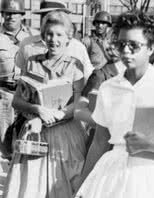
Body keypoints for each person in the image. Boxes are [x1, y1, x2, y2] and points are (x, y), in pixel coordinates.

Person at [74, 11, 154, 198]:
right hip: (111, 175)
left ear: (151, 47)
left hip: (151, 176)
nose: (126, 51)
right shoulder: (108, 87)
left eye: (134, 45)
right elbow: (99, 142)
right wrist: (82, 186)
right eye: (121, 44)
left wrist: (148, 144)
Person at [4, 11, 87, 198]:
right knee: (32, 188)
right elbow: (17, 101)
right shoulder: (32, 62)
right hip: (34, 135)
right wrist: (37, 109)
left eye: (59, 35)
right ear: (43, 36)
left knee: (64, 186)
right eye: (49, 34)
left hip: (66, 135)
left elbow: (77, 103)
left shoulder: (75, 66)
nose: (53, 39)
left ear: (68, 38)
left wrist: (50, 119)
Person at [15, 0, 93, 81]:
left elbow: (88, 77)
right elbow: (22, 79)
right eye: (45, 16)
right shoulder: (27, 44)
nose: (50, 19)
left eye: (55, 16)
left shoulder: (77, 47)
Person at [0, 0, 39, 157]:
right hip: (4, 92)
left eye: (15, 13)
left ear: (22, 15)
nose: (11, 16)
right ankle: (9, 162)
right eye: (7, 13)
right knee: (4, 137)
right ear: (2, 14)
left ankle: (17, 169)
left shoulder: (33, 36)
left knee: (27, 134)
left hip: (28, 94)